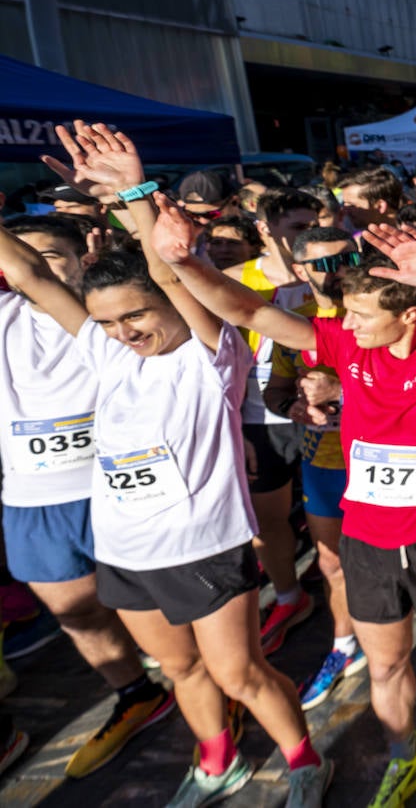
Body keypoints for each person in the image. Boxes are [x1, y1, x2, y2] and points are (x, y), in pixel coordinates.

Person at [151, 203, 416, 805]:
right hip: (368, 540)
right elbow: (247, 309)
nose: (350, 323)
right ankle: (406, 756)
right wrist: (182, 261)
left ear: (410, 315)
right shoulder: (345, 345)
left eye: (365, 314)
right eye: (348, 312)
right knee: (386, 665)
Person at [18, 120, 331, 806]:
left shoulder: (206, 357)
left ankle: (303, 758)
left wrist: (135, 194)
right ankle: (219, 761)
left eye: (135, 317)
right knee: (180, 669)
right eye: (106, 323)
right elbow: (30, 276)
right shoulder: (106, 350)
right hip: (125, 550)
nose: (123, 334)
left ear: (167, 306)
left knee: (240, 673)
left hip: (205, 550)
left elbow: (166, 268)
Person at [0, 214, 175, 779]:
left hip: (118, 489)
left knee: (156, 610)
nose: (31, 269)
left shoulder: (104, 323)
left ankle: (208, 690)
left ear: (82, 260)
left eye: (50, 256)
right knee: (77, 615)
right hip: (33, 500)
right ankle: (135, 694)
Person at [261, 228, 368, 711]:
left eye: (346, 258)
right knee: (331, 563)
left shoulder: (379, 320)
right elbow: (274, 394)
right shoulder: (293, 326)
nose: (338, 270)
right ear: (302, 272)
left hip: (382, 463)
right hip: (323, 465)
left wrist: (342, 394)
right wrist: (297, 410)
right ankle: (343, 647)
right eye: (323, 264)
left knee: (405, 563)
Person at [226, 187, 322, 656]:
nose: (310, 238)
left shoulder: (330, 273)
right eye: (298, 229)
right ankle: (289, 596)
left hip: (327, 418)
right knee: (268, 521)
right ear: (264, 230)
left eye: (314, 225)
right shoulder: (233, 280)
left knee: (330, 520)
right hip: (259, 420)